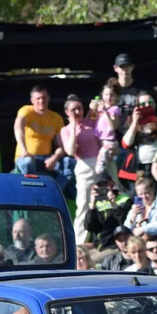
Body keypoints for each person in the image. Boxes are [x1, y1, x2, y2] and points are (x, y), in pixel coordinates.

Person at [60, 94, 101, 244]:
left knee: (102, 203)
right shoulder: (65, 130)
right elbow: (70, 151)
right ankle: (79, 243)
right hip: (84, 165)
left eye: (79, 108)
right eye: (73, 109)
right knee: (83, 204)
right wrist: (73, 126)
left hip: (100, 163)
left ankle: (101, 238)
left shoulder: (92, 123)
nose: (77, 112)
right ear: (67, 112)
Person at [14, 85, 66, 178]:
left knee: (68, 164)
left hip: (47, 159)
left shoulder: (56, 118)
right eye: (38, 98)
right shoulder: (26, 111)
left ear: (49, 98)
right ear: (32, 100)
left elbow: (61, 146)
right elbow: (18, 127)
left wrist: (54, 158)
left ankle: (55, 191)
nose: (41, 101)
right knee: (27, 163)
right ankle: (33, 191)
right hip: (27, 156)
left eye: (44, 97)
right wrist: (24, 151)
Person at [90, 80, 123, 177]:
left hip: (109, 141)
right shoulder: (100, 108)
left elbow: (113, 126)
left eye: (112, 95)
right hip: (98, 140)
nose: (108, 97)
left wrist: (105, 111)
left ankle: (102, 173)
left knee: (103, 158)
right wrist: (93, 109)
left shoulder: (115, 109)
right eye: (106, 94)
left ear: (116, 97)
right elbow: (91, 119)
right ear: (102, 95)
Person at [126, 175, 157, 243]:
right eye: (141, 194)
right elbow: (126, 230)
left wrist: (143, 229)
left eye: (147, 193)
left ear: (153, 191)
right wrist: (132, 218)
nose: (144, 196)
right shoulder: (134, 209)